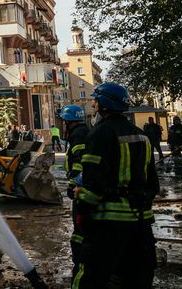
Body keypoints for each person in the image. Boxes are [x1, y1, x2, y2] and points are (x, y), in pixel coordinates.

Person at [72, 82, 158, 288]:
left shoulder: (101, 133)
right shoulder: (141, 135)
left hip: (108, 224)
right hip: (141, 222)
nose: (93, 106)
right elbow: (152, 183)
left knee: (90, 276)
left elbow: (94, 183)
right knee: (135, 277)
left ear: (102, 104)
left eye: (95, 102)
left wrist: (82, 209)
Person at [61, 104, 89, 272]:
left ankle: (81, 258)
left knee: (80, 225)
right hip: (86, 187)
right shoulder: (83, 132)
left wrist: (73, 186)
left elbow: (80, 162)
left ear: (69, 121)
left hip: (82, 189)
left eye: (64, 121)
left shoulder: (78, 135)